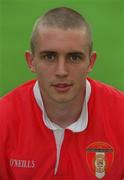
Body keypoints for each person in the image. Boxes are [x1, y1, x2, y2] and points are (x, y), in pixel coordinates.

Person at [0, 7, 124, 180]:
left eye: (74, 57)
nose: (61, 71)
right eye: (49, 57)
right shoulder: (3, 119)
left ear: (91, 62)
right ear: (31, 61)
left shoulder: (121, 115)